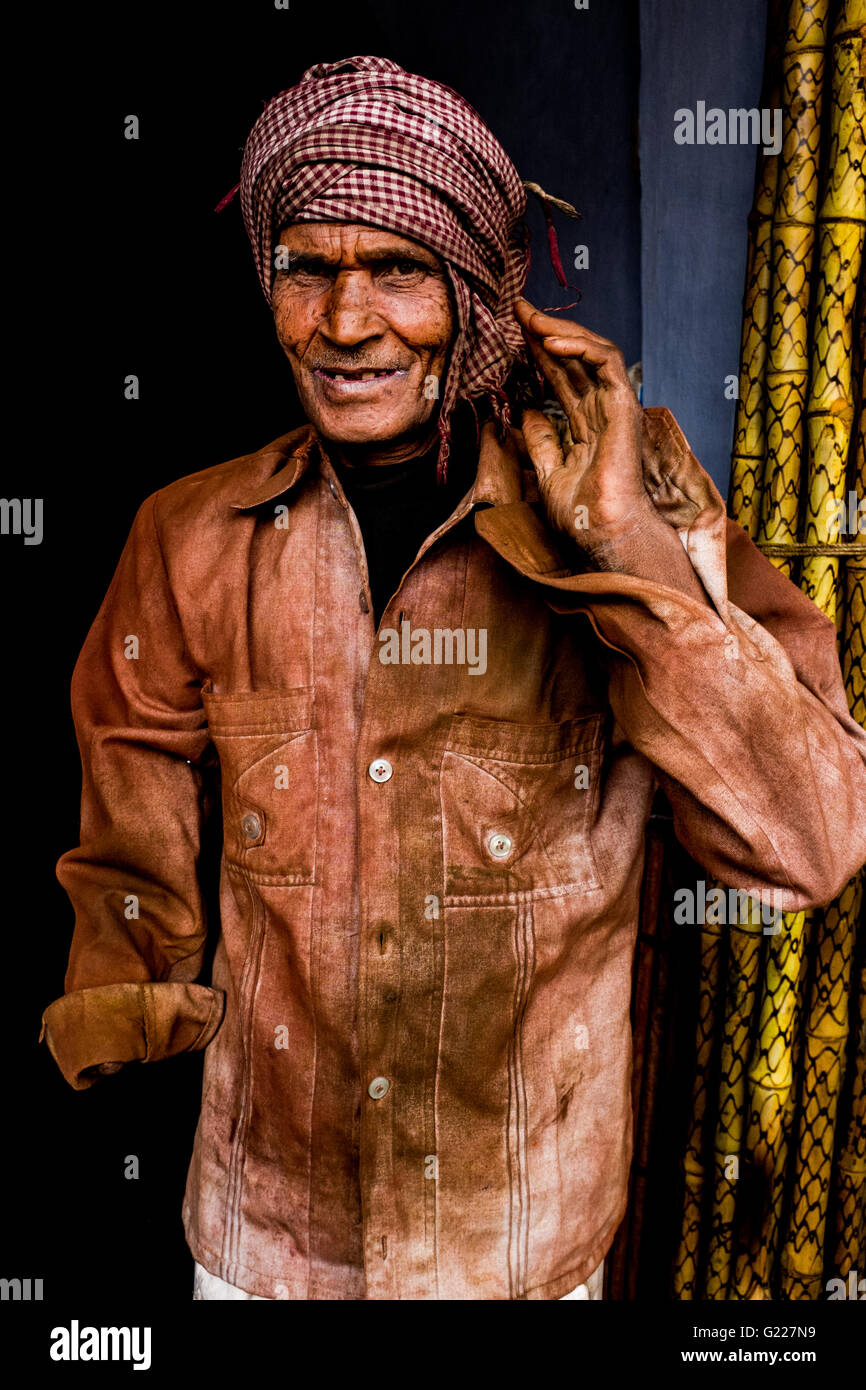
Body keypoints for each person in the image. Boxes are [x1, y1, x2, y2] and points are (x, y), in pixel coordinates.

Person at [39, 55, 866, 1302]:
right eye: (306, 267)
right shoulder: (189, 537)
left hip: (515, 1258)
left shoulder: (632, 517)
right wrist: (133, 998)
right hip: (267, 1252)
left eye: (398, 270)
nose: (345, 322)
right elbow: (128, 785)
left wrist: (632, 559)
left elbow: (808, 842)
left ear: (475, 295)